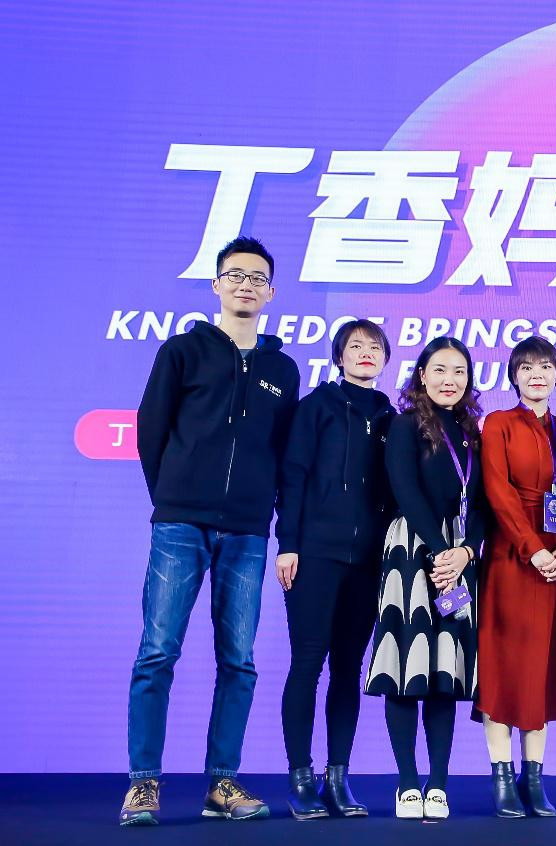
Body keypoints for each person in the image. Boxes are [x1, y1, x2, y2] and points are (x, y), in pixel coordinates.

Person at [122, 236, 299, 826]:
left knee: (239, 661)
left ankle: (222, 782)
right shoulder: (183, 350)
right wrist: (173, 496)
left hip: (248, 532)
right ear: (217, 284)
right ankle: (143, 784)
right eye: (236, 275)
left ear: (271, 293)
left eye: (257, 278)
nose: (246, 284)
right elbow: (152, 430)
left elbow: (284, 454)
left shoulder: (282, 370)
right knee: (157, 653)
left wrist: (268, 516)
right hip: (181, 524)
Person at [274, 319, 395, 819]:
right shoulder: (317, 406)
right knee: (307, 663)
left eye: (375, 347)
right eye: (355, 346)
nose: (366, 353)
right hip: (315, 553)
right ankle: (301, 779)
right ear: (339, 356)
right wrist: (288, 544)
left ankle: (337, 778)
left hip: (367, 561)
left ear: (385, 358)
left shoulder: (390, 416)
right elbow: (293, 476)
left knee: (349, 668)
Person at [364, 337, 484, 821]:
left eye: (459, 372)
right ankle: (408, 783)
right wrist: (440, 551)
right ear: (422, 375)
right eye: (440, 370)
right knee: (405, 666)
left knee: (444, 673)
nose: (449, 380)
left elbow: (483, 504)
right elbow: (406, 490)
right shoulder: (405, 424)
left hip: (457, 555)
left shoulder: (473, 431)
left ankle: (438, 783)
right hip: (413, 552)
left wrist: (465, 552)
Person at [476, 336, 556, 818]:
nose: (536, 375)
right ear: (514, 376)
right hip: (510, 558)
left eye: (545, 367)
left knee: (542, 667)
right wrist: (532, 548)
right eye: (526, 367)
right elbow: (497, 493)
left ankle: (533, 777)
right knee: (503, 665)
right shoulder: (499, 423)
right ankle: (501, 775)